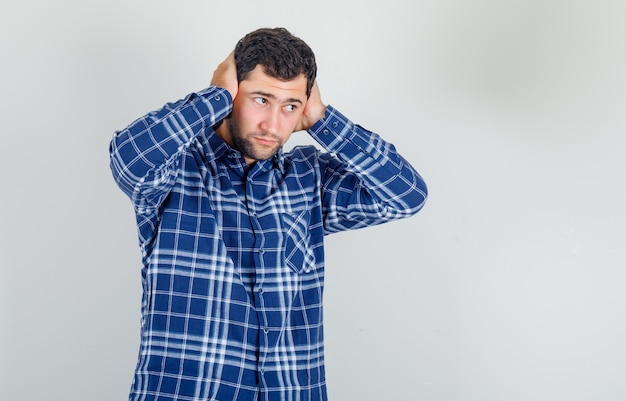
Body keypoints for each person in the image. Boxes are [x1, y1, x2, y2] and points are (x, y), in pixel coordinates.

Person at [110, 27, 427, 401]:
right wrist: (214, 98)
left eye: (290, 106)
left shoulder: (309, 178)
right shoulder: (175, 170)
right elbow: (129, 157)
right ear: (233, 91)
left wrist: (323, 119)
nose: (273, 126)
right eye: (261, 99)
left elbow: (406, 195)